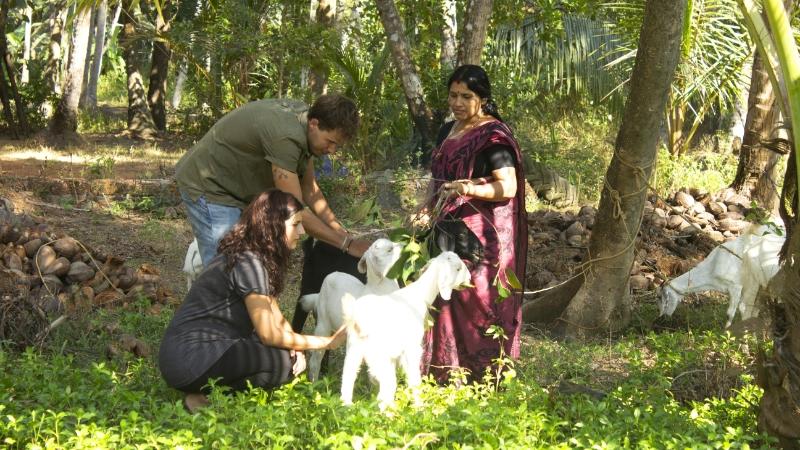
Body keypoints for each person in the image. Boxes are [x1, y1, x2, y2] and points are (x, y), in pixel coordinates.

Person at [159, 189, 345, 413]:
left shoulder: (251, 257)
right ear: (274, 226)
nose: (302, 231)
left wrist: (296, 347)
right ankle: (200, 397)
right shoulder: (250, 263)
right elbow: (269, 334)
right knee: (281, 364)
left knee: (287, 357)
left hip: (186, 357)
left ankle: (203, 393)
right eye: (296, 225)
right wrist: (325, 342)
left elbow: (276, 317)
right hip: (191, 358)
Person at [419, 65, 528, 384]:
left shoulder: (493, 137)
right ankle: (442, 374)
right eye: (453, 95)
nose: (457, 102)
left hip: (482, 237)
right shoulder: (447, 130)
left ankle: (481, 379)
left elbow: (507, 187)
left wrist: (469, 188)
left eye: (466, 96)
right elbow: (437, 179)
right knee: (443, 297)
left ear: (482, 98)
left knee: (475, 302)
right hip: (446, 231)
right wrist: (426, 209)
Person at [175, 94, 370, 267]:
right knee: (224, 267)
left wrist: (339, 230)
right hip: (210, 185)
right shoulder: (285, 137)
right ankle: (210, 306)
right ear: (314, 124)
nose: (332, 150)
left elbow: (309, 188)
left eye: (338, 146)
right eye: (330, 142)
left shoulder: (305, 125)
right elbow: (293, 209)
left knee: (246, 265)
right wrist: (347, 245)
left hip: (238, 189)